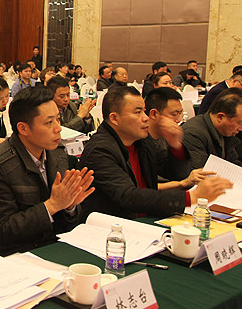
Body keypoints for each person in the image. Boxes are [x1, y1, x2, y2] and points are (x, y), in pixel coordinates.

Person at [0, 86, 94, 256]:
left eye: (58, 119)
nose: (58, 128)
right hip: (6, 255)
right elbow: (4, 230)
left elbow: (66, 224)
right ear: (23, 128)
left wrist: (69, 206)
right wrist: (52, 205)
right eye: (49, 122)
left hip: (48, 248)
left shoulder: (57, 153)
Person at [79, 86, 232, 219]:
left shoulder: (142, 142)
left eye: (144, 111)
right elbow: (128, 196)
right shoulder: (99, 150)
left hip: (149, 217)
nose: (145, 118)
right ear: (114, 118)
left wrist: (175, 146)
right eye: (138, 112)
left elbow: (175, 173)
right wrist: (190, 197)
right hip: (113, 226)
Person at [144, 88, 213, 190]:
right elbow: (140, 187)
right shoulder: (137, 140)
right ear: (154, 114)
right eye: (174, 114)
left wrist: (176, 145)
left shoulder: (165, 137)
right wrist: (181, 183)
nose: (178, 120)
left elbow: (177, 174)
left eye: (180, 113)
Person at [183, 88, 242, 169]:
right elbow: (202, 173)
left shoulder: (225, 130)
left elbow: (234, 163)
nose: (241, 129)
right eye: (240, 123)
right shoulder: (193, 135)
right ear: (220, 117)